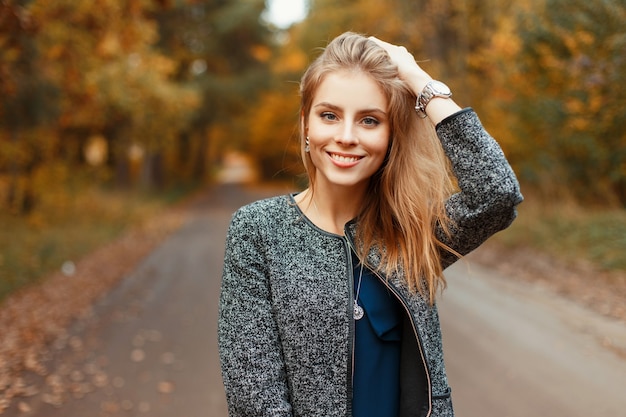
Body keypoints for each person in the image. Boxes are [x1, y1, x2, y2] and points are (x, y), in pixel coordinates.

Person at [218, 32, 523, 417]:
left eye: (369, 120)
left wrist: (421, 85)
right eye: (329, 115)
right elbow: (254, 398)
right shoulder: (257, 230)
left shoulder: (412, 231)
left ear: (391, 134)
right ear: (306, 125)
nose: (346, 137)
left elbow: (496, 194)